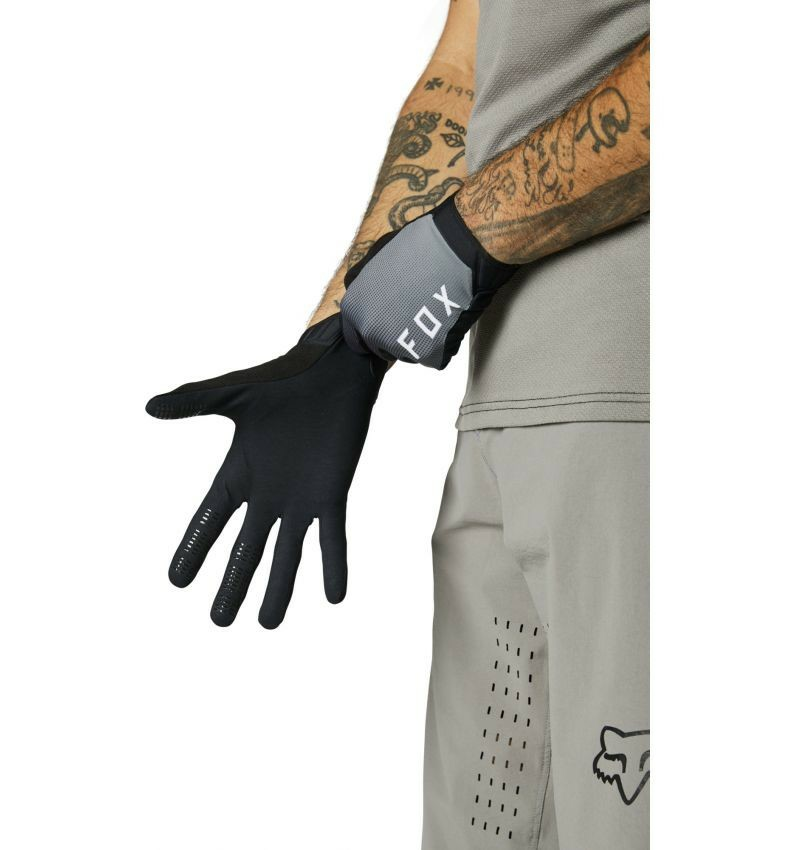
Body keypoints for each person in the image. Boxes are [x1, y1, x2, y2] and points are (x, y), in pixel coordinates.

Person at [146, 1, 650, 847]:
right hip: (504, 407)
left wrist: (463, 239)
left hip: (639, 391)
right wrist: (346, 337)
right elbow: (469, 63)